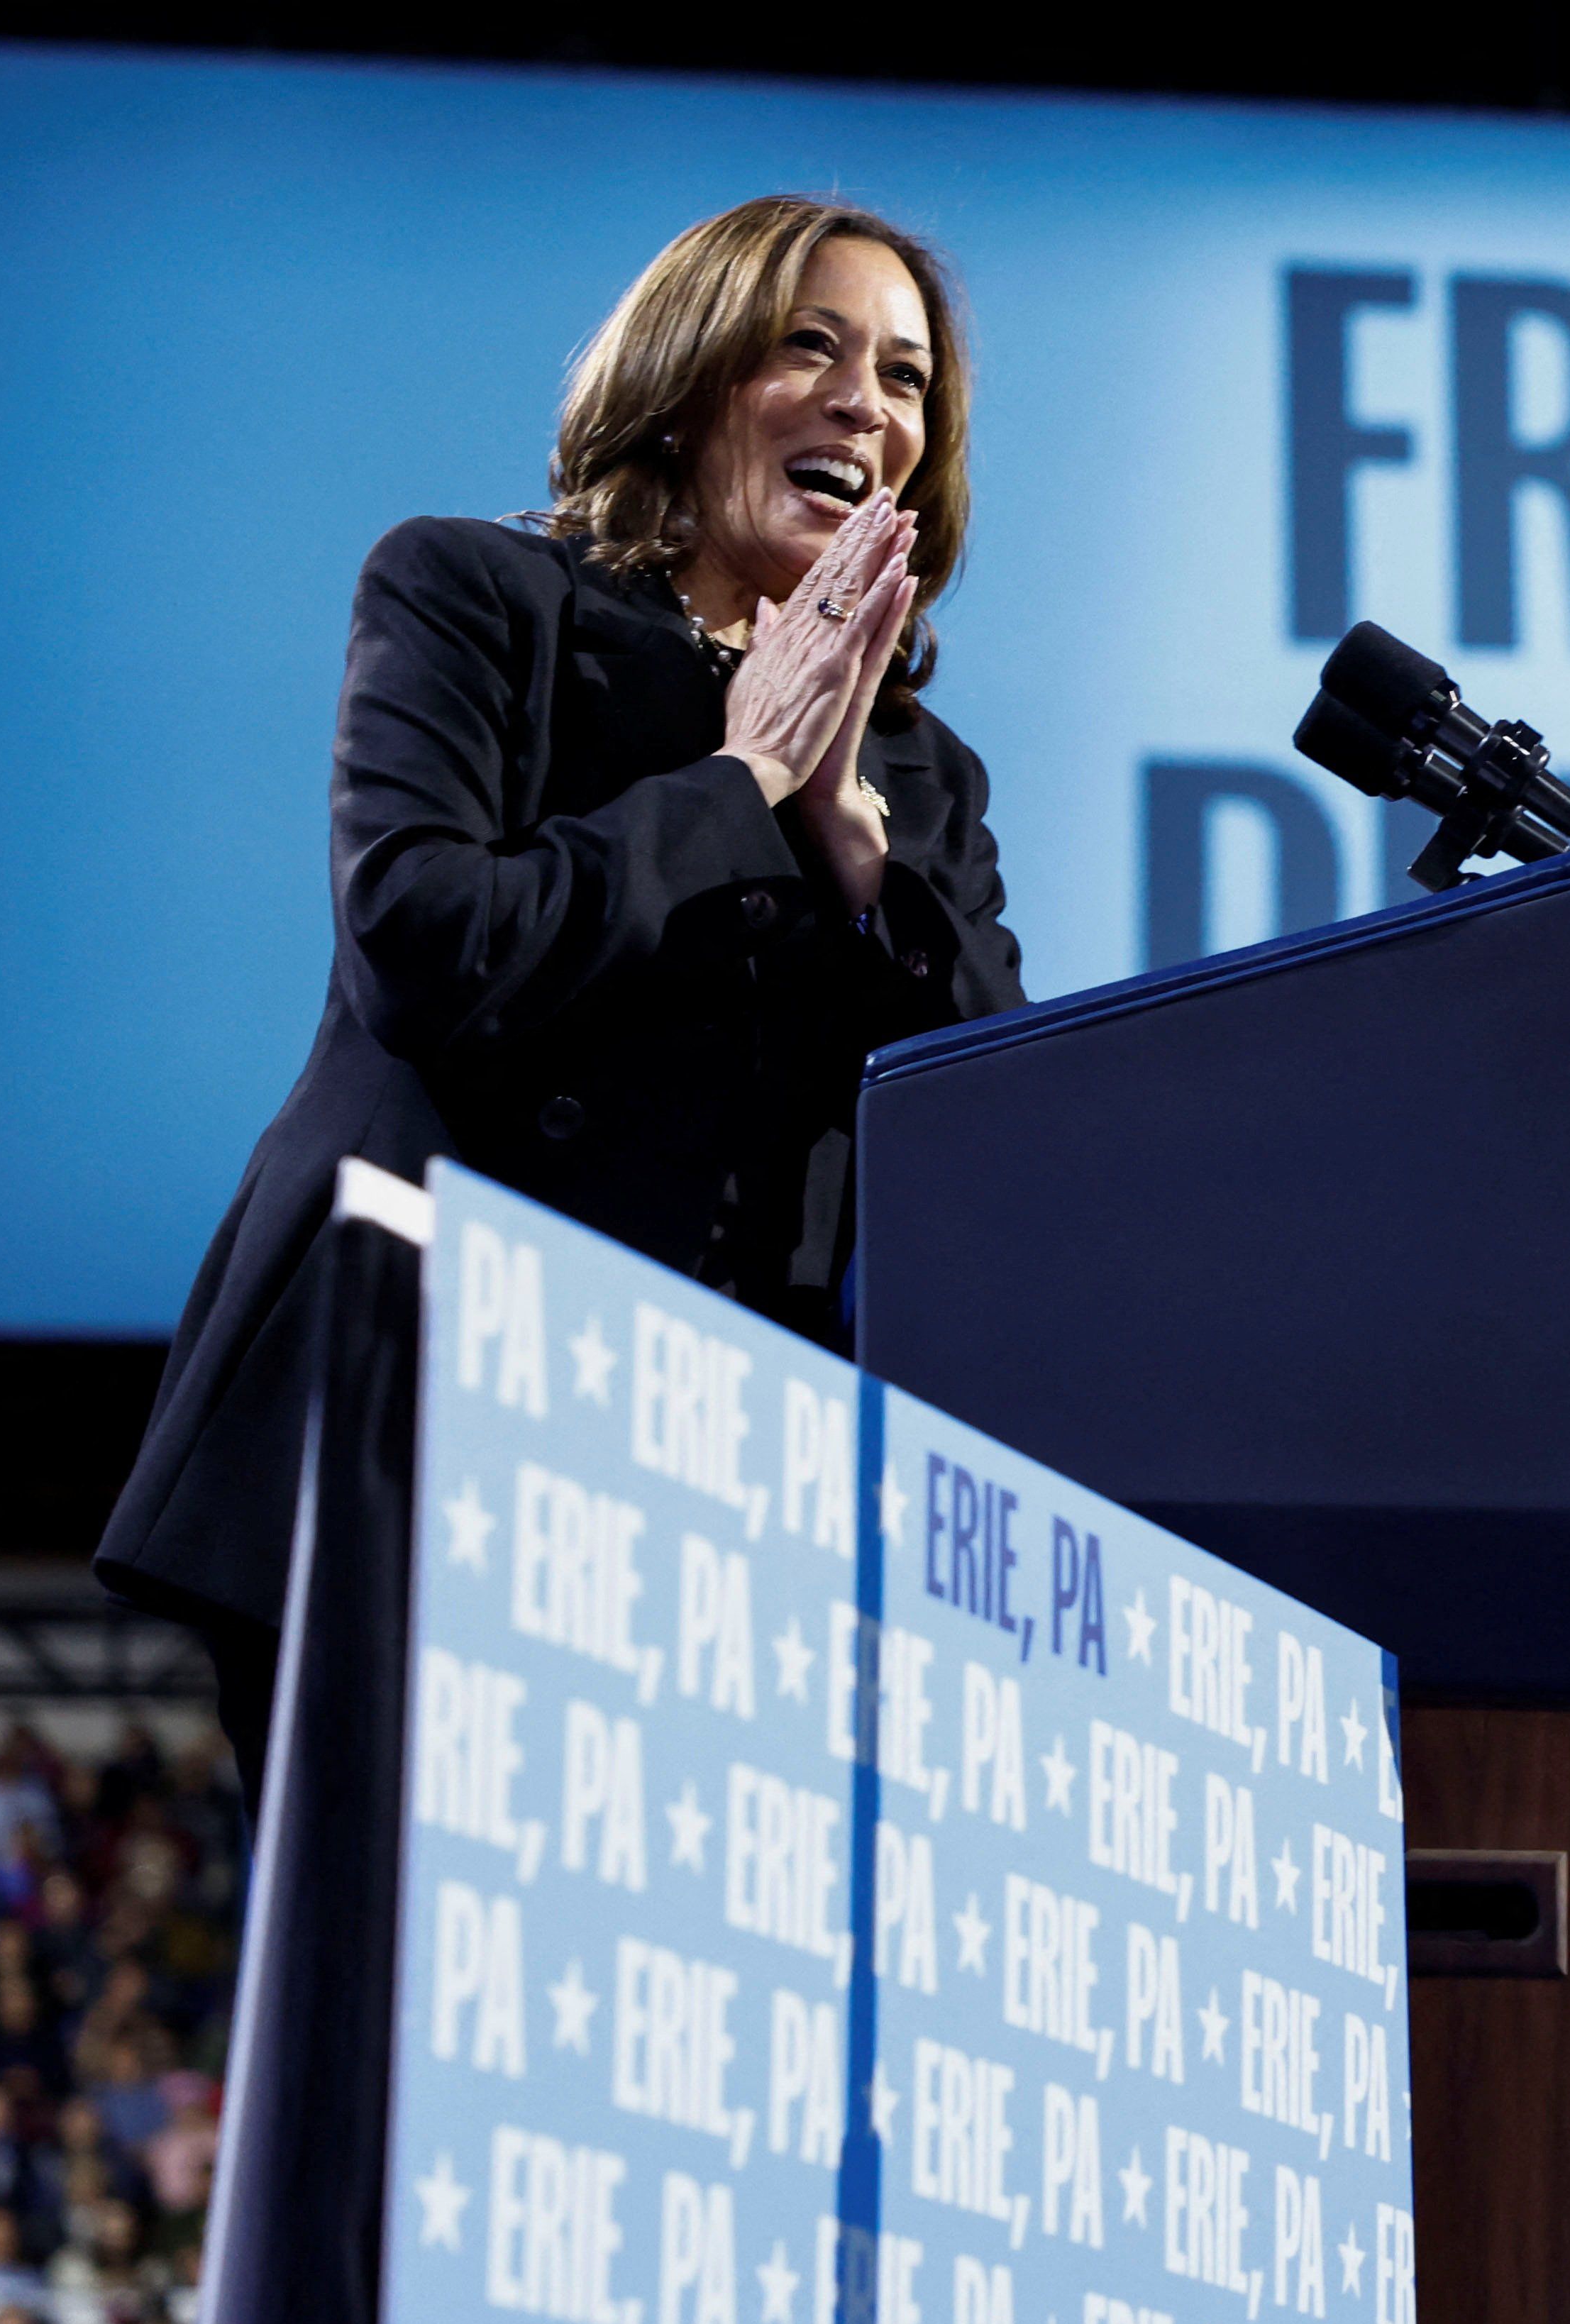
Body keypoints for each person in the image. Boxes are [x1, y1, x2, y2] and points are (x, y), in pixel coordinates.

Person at [94, 196, 1024, 1786]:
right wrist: (739, 788)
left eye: (907, 378)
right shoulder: (477, 600)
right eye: (809, 343)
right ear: (687, 375)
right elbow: (421, 940)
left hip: (725, 1492)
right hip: (426, 1422)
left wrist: (861, 861)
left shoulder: (922, 781)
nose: (867, 403)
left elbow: (1005, 1137)